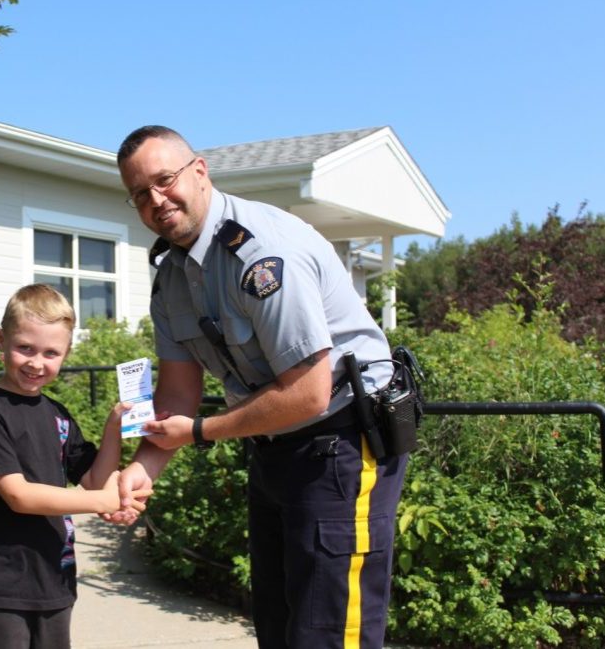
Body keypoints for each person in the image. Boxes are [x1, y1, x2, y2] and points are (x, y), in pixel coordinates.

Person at [110, 126, 407, 649]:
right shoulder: (171, 276)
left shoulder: (262, 254)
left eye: (165, 180)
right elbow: (178, 389)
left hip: (341, 447)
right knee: (278, 627)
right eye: (140, 193)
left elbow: (310, 393)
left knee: (330, 636)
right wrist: (142, 467)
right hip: (274, 451)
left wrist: (201, 432)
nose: (156, 201)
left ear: (200, 172)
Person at [0, 283, 149, 649]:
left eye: (51, 353)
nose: (36, 363)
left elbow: (94, 479)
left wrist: (113, 428)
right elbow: (19, 495)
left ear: (66, 353)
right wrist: (106, 503)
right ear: (0, 339)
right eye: (25, 347)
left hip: (53, 580)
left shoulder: (57, 414)